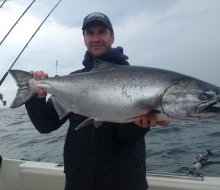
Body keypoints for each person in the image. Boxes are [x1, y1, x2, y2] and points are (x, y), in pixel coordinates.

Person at [25, 12, 170, 190]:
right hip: (78, 182)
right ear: (84, 39)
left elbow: (126, 138)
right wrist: (36, 97)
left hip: (125, 183)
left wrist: (138, 125)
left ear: (112, 36)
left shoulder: (137, 81)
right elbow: (45, 125)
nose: (96, 38)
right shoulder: (72, 83)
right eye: (90, 33)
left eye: (101, 32)